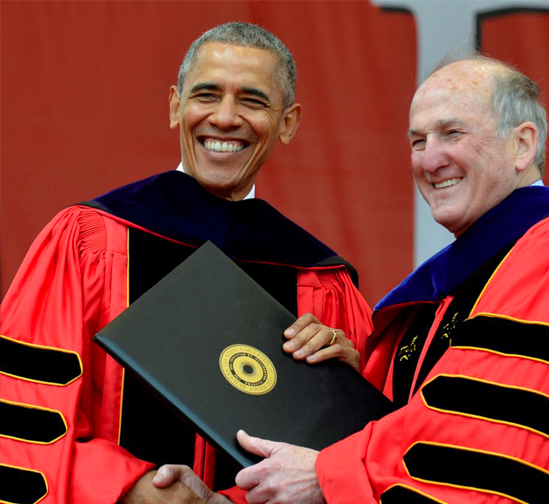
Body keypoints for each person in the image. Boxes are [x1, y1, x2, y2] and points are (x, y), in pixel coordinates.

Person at [156, 54, 549, 503]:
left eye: (452, 134)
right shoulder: (451, 286)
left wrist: (326, 477)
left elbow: (502, 454)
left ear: (522, 144)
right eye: (417, 141)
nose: (429, 159)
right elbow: (398, 437)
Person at [0, 23, 371, 504]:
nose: (224, 117)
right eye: (206, 95)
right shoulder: (87, 240)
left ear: (288, 122)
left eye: (253, 101)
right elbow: (26, 407)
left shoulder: (320, 278)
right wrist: (128, 488)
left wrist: (348, 384)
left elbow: (358, 459)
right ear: (176, 106)